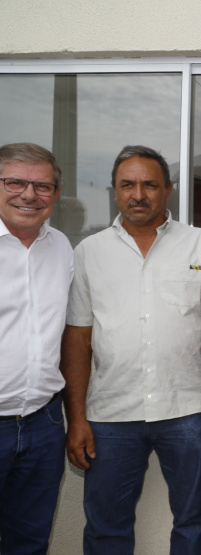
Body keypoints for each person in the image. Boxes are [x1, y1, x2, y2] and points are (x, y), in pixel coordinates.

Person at [61, 145, 201, 555]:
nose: (139, 194)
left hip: (188, 410)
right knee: (106, 526)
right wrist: (76, 418)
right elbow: (78, 340)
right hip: (111, 413)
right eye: (127, 185)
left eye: (150, 185)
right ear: (114, 191)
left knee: (194, 521)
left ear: (167, 190)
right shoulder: (89, 252)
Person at [0, 143, 71, 555]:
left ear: (55, 194)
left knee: (29, 544)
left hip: (43, 422)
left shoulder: (61, 247)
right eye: (14, 182)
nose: (29, 195)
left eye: (42, 186)